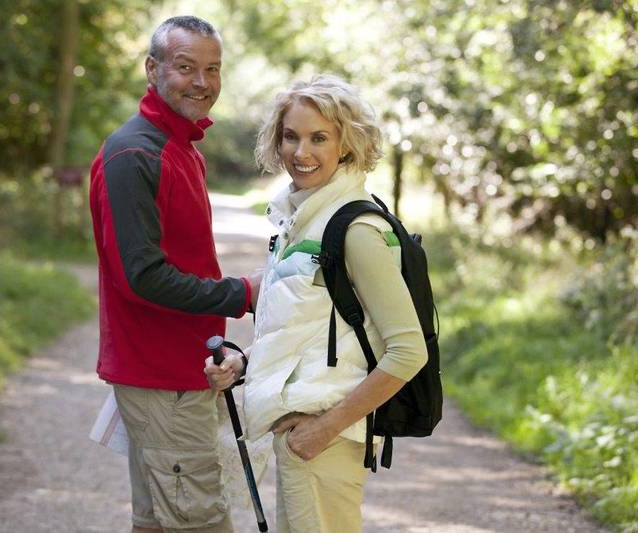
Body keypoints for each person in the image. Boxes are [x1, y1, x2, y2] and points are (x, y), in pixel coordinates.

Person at [205, 75, 428, 532]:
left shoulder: (356, 230)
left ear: (347, 144)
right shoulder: (302, 222)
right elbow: (311, 333)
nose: (300, 152)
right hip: (300, 440)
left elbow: (409, 350)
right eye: (291, 136)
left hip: (324, 442)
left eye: (318, 138)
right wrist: (245, 363)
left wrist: (325, 428)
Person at [89, 16, 259, 533]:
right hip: (162, 379)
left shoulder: (181, 148)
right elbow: (141, 277)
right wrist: (241, 293)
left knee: (160, 523)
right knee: (199, 521)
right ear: (152, 68)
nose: (202, 82)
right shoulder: (135, 153)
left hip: (183, 370)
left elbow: (180, 263)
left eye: (212, 69)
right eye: (185, 67)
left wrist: (214, 342)